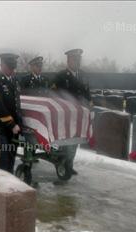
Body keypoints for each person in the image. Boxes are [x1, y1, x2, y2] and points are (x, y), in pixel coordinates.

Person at [52, 48, 91, 176]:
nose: (77, 62)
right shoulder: (61, 76)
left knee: (75, 140)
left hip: (80, 114)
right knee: (66, 140)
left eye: (78, 59)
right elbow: (55, 94)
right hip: (66, 114)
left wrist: (90, 102)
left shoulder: (84, 75)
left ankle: (69, 164)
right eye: (74, 59)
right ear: (68, 60)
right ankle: (62, 166)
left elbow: (86, 92)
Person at [0, 52, 22, 173]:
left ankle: (9, 182)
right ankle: (1, 184)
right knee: (3, 157)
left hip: (14, 128)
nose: (11, 69)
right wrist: (12, 124)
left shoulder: (15, 81)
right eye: (9, 66)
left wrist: (19, 123)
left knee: (11, 157)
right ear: (2, 65)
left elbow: (17, 103)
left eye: (13, 67)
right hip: (1, 127)